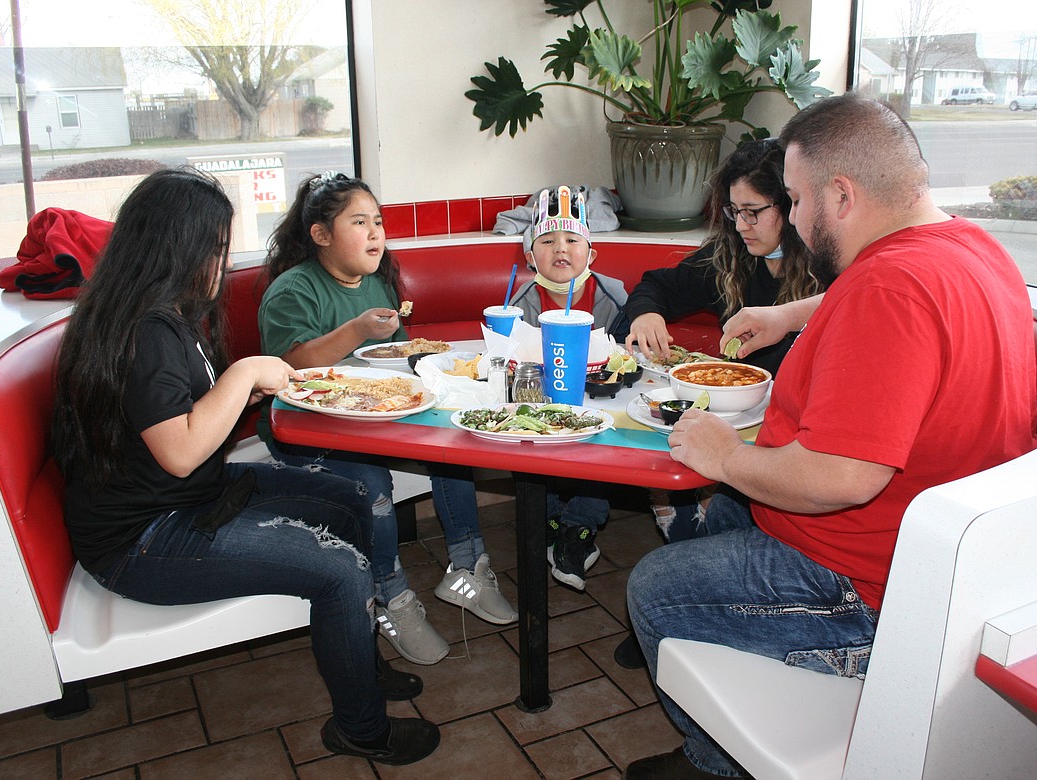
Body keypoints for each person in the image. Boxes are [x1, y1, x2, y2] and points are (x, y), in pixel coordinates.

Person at [622, 93, 1037, 779]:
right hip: (917, 552)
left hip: (864, 586)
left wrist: (727, 454)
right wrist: (791, 314)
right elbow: (897, 290)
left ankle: (714, 762)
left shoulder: (889, 288)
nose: (796, 217)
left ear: (840, 195)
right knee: (722, 512)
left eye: (795, 198)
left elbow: (843, 478)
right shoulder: (969, 245)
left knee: (654, 587)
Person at [49, 167, 439, 766]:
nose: (221, 264)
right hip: (143, 538)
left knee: (351, 500)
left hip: (189, 496)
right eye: (216, 249)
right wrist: (242, 375)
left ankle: (360, 660)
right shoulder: (143, 331)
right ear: (179, 250)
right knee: (337, 569)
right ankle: (361, 728)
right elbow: (179, 452)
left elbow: (181, 425)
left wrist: (241, 395)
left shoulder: (165, 313)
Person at [258, 171, 517, 666]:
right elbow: (289, 369)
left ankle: (466, 569)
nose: (376, 232)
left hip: (373, 420)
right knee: (370, 483)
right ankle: (391, 597)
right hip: (304, 431)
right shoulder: (293, 291)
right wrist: (356, 329)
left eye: (378, 221)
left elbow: (393, 361)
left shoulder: (378, 282)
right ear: (320, 235)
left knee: (453, 449)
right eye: (359, 222)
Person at [623, 138, 825, 543]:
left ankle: (689, 510)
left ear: (791, 205)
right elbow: (657, 286)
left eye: (753, 212)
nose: (740, 225)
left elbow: (857, 297)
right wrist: (646, 314)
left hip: (792, 441)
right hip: (735, 422)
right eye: (734, 211)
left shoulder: (829, 264)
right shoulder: (730, 255)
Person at [507, 185, 628, 590]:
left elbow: (624, 358)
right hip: (541, 403)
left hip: (599, 404)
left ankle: (578, 528)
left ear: (591, 253)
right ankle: (550, 518)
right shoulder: (521, 301)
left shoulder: (613, 294)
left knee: (602, 442)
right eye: (547, 240)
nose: (561, 248)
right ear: (530, 257)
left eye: (572, 240)